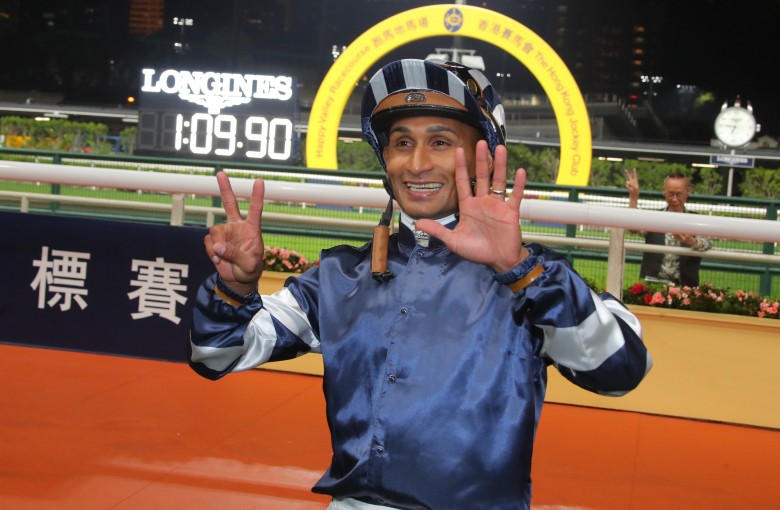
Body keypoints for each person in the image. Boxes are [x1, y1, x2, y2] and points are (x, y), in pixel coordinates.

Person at [190, 59, 652, 510]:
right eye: (401, 143)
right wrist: (236, 289)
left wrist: (521, 269)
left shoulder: (533, 277)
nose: (416, 163)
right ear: (385, 157)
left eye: (440, 142)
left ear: (480, 155)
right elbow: (217, 355)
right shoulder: (338, 276)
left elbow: (619, 371)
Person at [624, 168, 712, 287]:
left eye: (679, 194)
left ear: (688, 192)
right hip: (652, 285)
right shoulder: (654, 218)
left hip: (685, 287)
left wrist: (692, 241)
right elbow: (632, 227)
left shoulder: (698, 221)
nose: (674, 199)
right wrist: (634, 196)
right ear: (664, 191)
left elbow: (708, 243)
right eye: (671, 194)